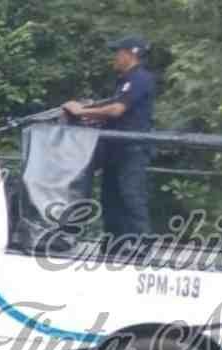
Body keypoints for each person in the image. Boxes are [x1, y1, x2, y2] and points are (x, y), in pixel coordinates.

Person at [63, 35, 157, 244]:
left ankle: (142, 247)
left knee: (131, 197)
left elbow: (117, 110)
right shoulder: (124, 81)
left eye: (119, 52)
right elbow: (114, 110)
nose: (115, 57)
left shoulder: (140, 78)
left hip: (132, 149)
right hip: (114, 148)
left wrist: (80, 111)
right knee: (110, 199)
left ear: (131, 54)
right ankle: (114, 245)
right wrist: (86, 110)